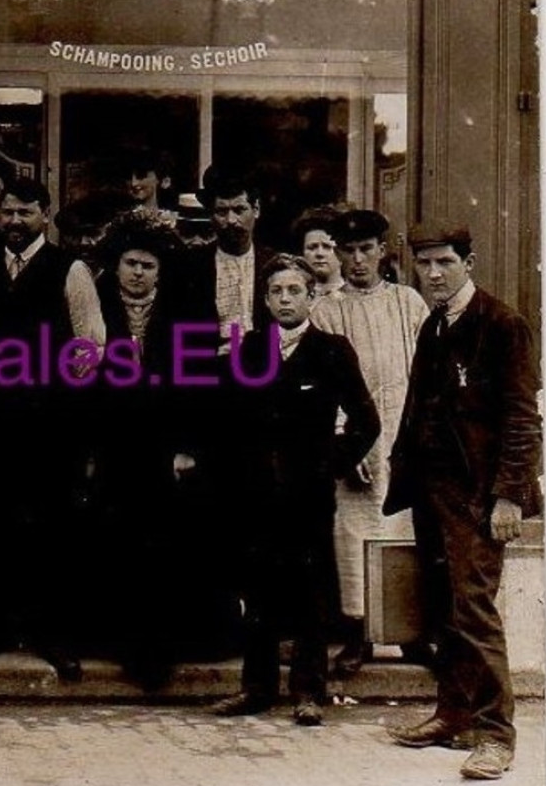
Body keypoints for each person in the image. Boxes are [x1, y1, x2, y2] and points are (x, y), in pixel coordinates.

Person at [383, 225, 541, 781]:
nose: (433, 274)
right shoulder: (434, 325)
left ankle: (496, 735)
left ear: (468, 262)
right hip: (433, 494)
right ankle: (453, 715)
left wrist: (509, 499)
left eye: (445, 262)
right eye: (424, 264)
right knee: (443, 610)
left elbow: (524, 420)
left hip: (478, 498)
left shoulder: (502, 325)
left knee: (475, 612)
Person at [210, 255, 379, 724]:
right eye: (277, 292)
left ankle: (309, 692)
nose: (285, 300)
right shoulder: (248, 353)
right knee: (258, 591)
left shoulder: (331, 350)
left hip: (308, 496)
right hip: (256, 494)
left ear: (311, 297)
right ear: (265, 300)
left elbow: (367, 420)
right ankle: (256, 689)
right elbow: (226, 423)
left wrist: (330, 463)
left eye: (295, 291)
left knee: (310, 593)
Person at [0, 176, 107, 675]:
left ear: (44, 214)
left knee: (52, 527)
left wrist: (58, 399)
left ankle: (53, 635)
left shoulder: (70, 269)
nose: (14, 222)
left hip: (49, 424)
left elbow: (91, 345)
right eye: (8, 212)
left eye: (25, 213)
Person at [86, 212, 210, 686]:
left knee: (165, 543)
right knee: (117, 538)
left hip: (166, 446)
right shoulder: (95, 304)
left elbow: (199, 382)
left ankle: (160, 652)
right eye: (131, 263)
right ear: (116, 265)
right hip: (114, 442)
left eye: (148, 266)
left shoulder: (185, 307)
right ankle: (119, 642)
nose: (138, 273)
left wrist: (186, 446)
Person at [308, 209, 431, 674]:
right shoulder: (326, 309)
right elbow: (325, 382)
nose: (357, 260)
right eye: (349, 251)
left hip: (403, 431)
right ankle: (357, 634)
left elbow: (424, 376)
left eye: (366, 250)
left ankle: (406, 634)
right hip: (355, 439)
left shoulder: (409, 304)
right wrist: (348, 441)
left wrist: (417, 437)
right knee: (353, 529)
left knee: (403, 529)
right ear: (337, 254)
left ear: (382, 251)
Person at [189, 166, 277, 353]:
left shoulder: (275, 264)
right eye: (222, 211)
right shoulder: (189, 268)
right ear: (211, 215)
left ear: (256, 209)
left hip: (265, 371)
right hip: (210, 372)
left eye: (239, 210)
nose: (230, 220)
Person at [293, 206, 346, 303]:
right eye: (312, 247)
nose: (319, 254)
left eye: (327, 247)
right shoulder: (294, 300)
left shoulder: (358, 298)